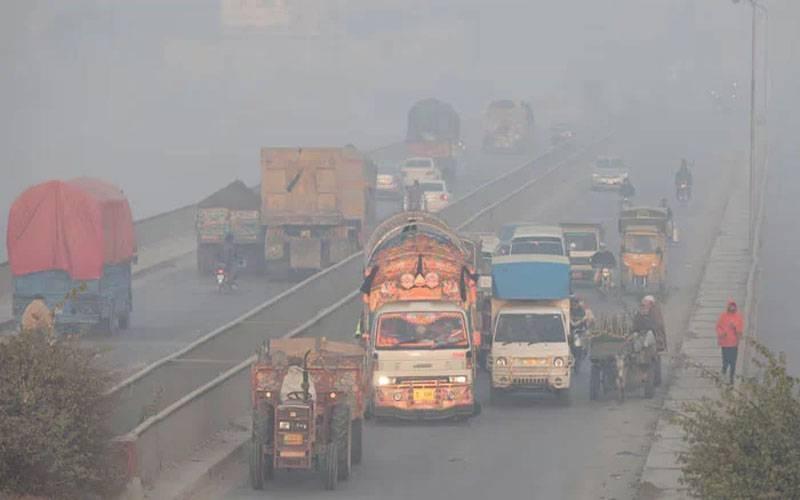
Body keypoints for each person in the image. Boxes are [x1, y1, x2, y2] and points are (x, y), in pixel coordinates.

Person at [715, 299, 744, 384]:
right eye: (731, 306)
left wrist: (735, 327)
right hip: (725, 343)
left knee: (733, 362)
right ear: (728, 307)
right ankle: (723, 373)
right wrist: (721, 333)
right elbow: (718, 327)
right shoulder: (723, 316)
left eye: (733, 306)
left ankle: (731, 378)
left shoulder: (738, 317)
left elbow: (740, 331)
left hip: (734, 344)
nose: (732, 308)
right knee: (725, 361)